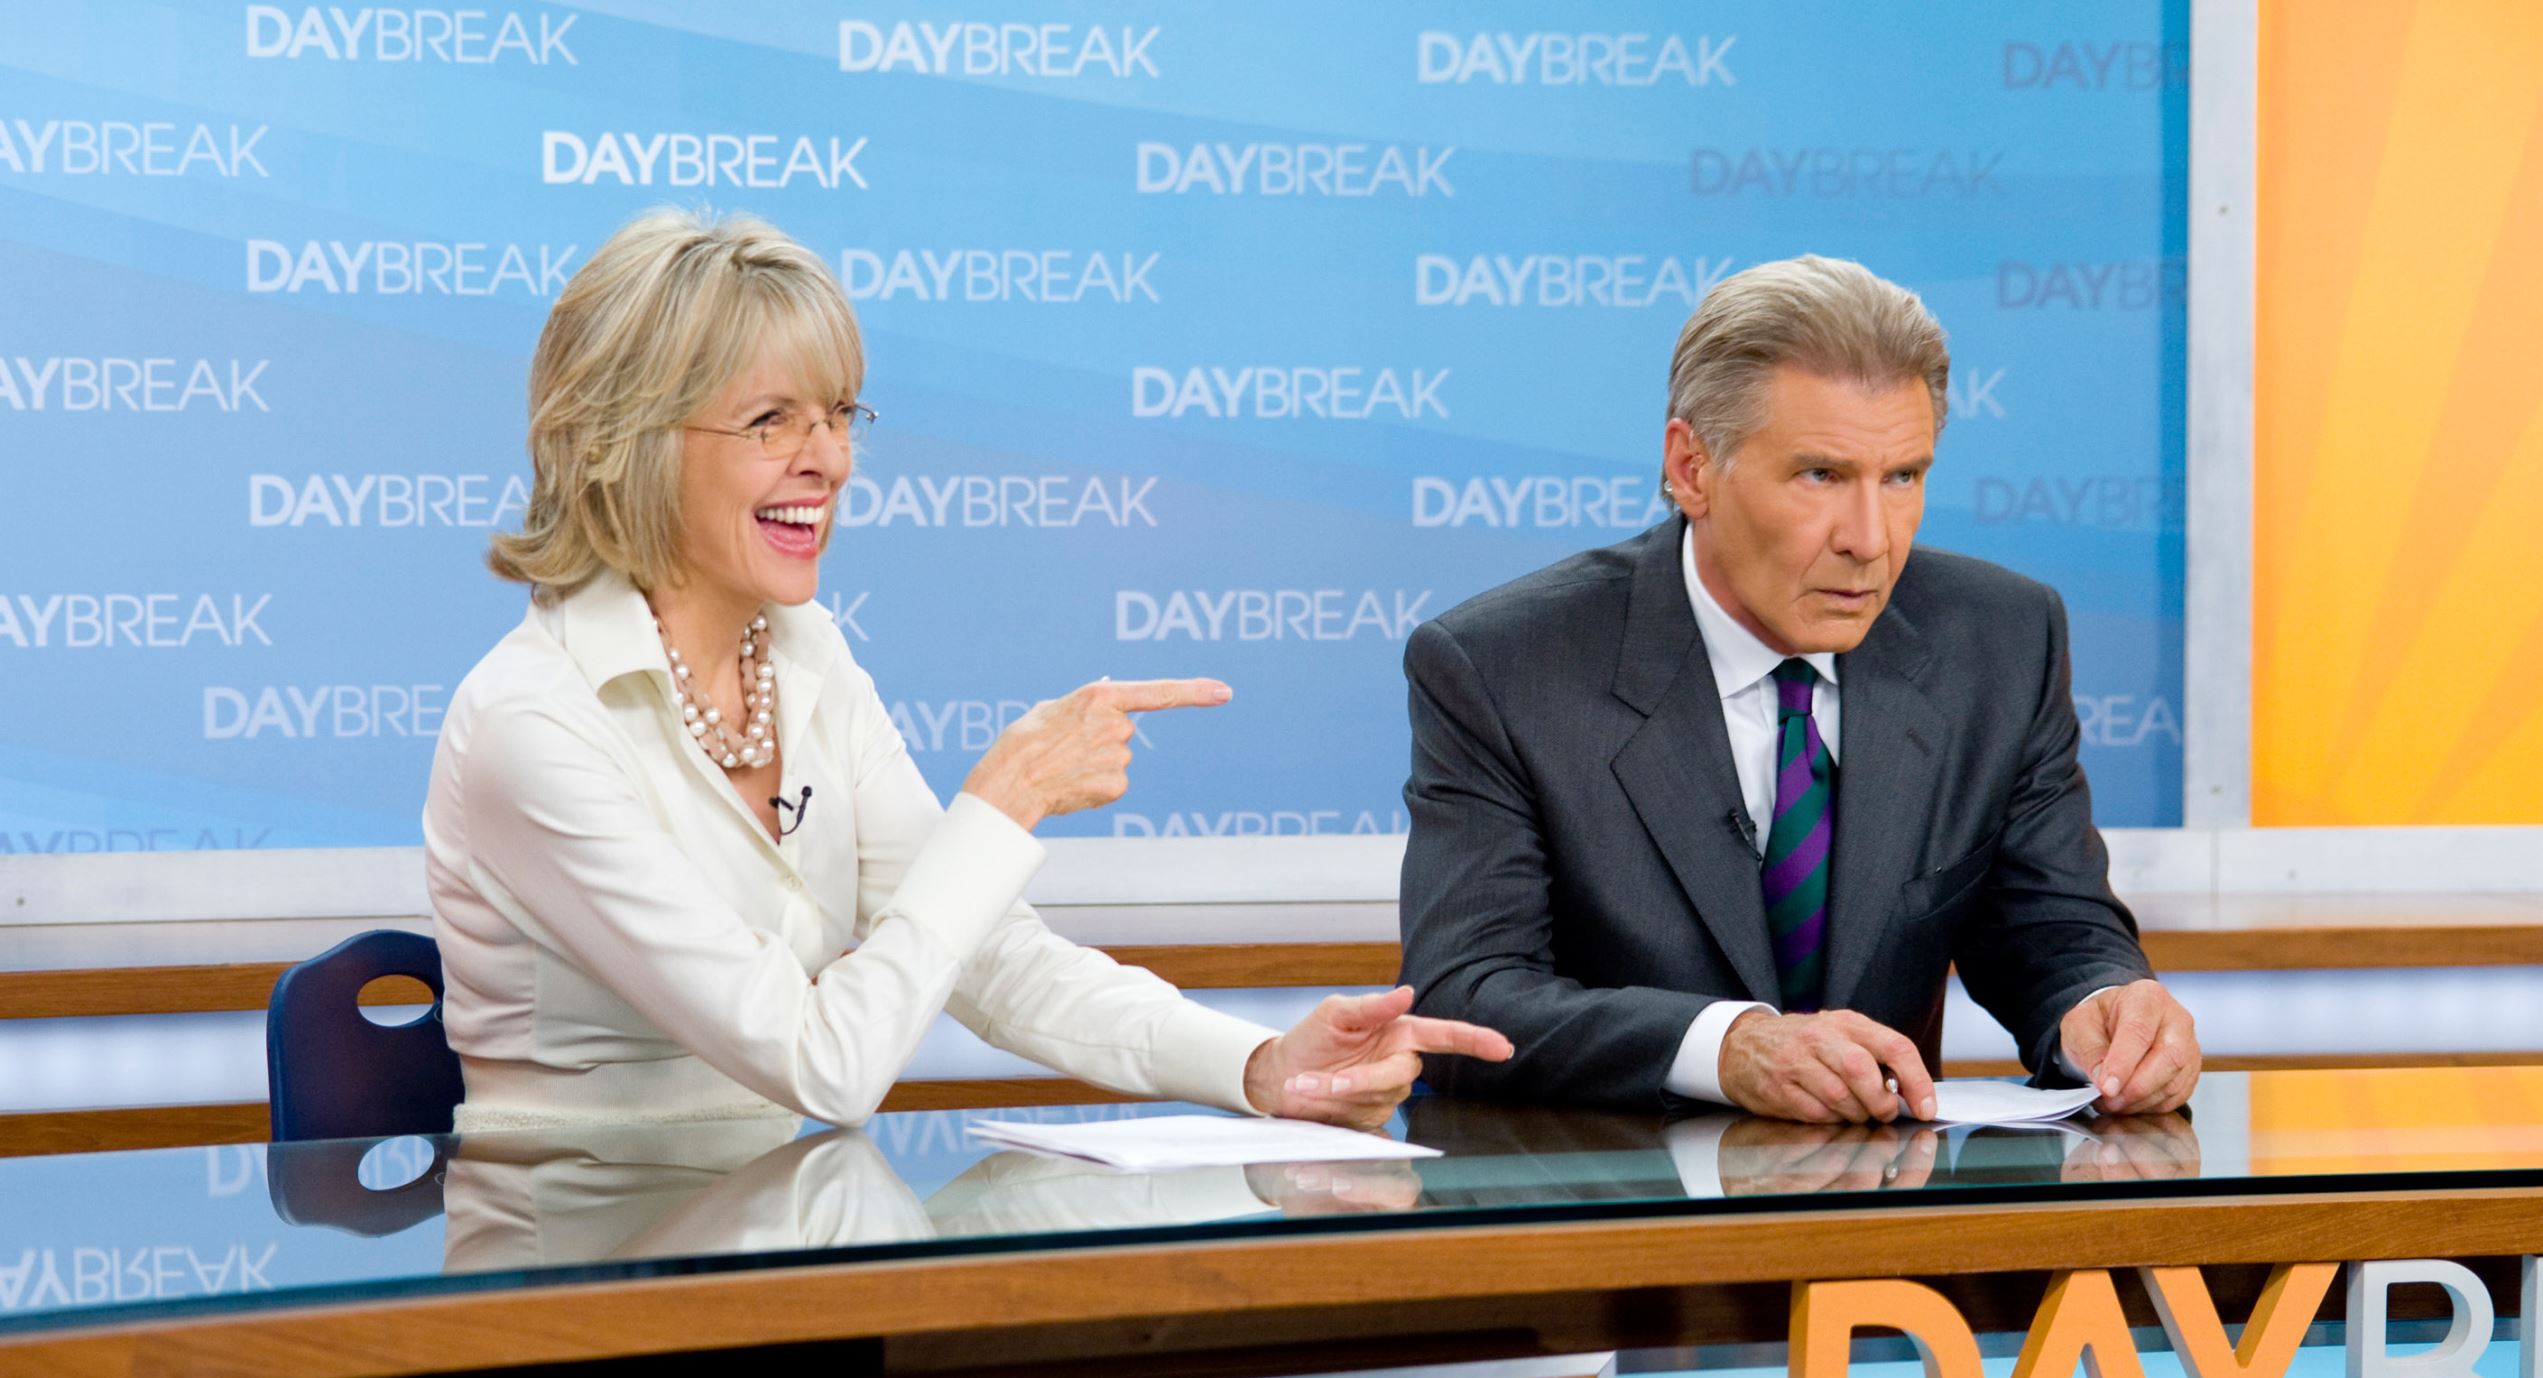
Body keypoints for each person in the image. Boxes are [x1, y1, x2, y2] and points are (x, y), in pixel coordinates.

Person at [424, 207, 1509, 1170]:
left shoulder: (806, 656)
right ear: (621, 444)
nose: (828, 461)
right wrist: (1000, 806)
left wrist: (1262, 1067)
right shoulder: (534, 723)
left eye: (838, 415)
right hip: (575, 1252)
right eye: (770, 422)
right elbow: (821, 1066)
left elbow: (994, 963)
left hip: (766, 1219)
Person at [1399, 255, 2197, 1123]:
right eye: (1820, 475)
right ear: (1691, 468)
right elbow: (1466, 996)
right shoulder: (1507, 666)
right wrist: (1726, 1046)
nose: (1869, 539)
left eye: (1902, 477)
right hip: (1611, 1177)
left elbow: (2048, 926)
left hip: (1884, 1180)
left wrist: (2101, 1006)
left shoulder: (1998, 640)